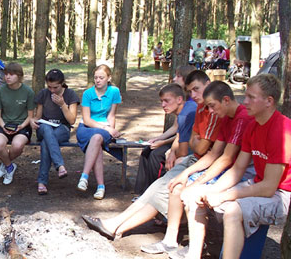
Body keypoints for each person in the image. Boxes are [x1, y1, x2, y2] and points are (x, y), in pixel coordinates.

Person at [179, 74, 290, 259]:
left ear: (269, 101)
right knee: (193, 195)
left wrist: (224, 195)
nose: (245, 101)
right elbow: (238, 169)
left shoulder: (282, 130)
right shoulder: (253, 125)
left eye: (251, 97)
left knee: (232, 210)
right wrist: (209, 190)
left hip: (282, 194)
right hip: (260, 186)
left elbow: (270, 186)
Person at [83, 70, 220, 240]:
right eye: (190, 91)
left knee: (159, 180)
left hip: (198, 164)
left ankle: (118, 227)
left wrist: (185, 147)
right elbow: (187, 138)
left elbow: (199, 148)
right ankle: (115, 226)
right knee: (153, 185)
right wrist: (171, 146)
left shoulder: (199, 111)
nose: (193, 95)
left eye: (196, 89)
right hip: (194, 159)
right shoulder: (199, 109)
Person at [141, 81, 253, 256]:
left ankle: (197, 247)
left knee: (190, 192)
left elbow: (226, 159)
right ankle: (169, 241)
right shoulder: (225, 118)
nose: (211, 111)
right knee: (177, 184)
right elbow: (213, 154)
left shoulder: (242, 117)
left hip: (239, 174)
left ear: (226, 100)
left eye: (212, 106)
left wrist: (198, 181)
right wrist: (186, 173)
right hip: (225, 168)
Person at [133, 79, 197, 196]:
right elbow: (178, 133)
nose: (163, 105)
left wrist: (170, 150)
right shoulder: (182, 111)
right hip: (183, 143)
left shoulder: (187, 113)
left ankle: (155, 192)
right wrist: (160, 140)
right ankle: (142, 192)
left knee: (157, 155)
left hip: (192, 149)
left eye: (167, 101)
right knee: (147, 150)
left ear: (179, 99)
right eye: (162, 101)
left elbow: (182, 145)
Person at [30, 69, 79, 195]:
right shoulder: (43, 94)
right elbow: (38, 117)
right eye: (49, 87)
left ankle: (42, 182)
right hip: (44, 128)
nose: (52, 90)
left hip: (62, 128)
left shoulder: (70, 94)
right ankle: (59, 165)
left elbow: (72, 120)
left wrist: (63, 105)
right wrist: (33, 121)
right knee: (46, 129)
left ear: (62, 83)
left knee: (46, 142)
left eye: (55, 87)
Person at [76, 65, 121, 199]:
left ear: (109, 78)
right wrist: (107, 129)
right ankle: (100, 186)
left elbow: (111, 115)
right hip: (86, 128)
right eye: (96, 78)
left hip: (104, 129)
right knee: (97, 142)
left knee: (97, 139)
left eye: (101, 78)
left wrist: (111, 130)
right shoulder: (87, 94)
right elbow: (87, 119)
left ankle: (84, 177)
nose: (98, 80)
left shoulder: (114, 92)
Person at [0, 62, 35, 185]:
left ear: (19, 76)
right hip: (4, 124)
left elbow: (30, 116)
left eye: (11, 74)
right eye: (6, 74)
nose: (7, 77)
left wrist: (21, 126)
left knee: (17, 145)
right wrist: (4, 126)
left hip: (23, 125)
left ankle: (5, 164)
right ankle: (9, 166)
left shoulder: (28, 92)